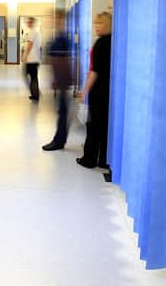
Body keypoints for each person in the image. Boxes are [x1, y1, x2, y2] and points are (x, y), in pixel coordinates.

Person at [77, 12, 112, 169]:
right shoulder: (114, 41)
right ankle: (105, 159)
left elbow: (94, 72)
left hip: (99, 90)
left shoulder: (100, 44)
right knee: (105, 126)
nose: (97, 27)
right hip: (109, 90)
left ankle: (89, 159)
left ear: (108, 25)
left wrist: (84, 91)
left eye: (100, 24)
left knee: (94, 126)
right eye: (96, 23)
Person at [42, 11, 71, 151]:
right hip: (59, 79)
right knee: (61, 111)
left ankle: (59, 141)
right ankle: (59, 139)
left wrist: (59, 80)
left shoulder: (62, 38)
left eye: (57, 19)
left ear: (62, 19)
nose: (54, 21)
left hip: (63, 80)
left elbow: (63, 62)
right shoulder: (58, 37)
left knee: (63, 111)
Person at [22, 17, 41, 101]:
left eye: (30, 22)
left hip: (31, 59)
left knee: (30, 76)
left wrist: (25, 56)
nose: (28, 23)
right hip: (34, 59)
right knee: (33, 77)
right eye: (28, 22)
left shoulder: (32, 32)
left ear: (33, 23)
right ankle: (35, 93)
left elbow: (30, 44)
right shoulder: (35, 32)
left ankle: (35, 93)